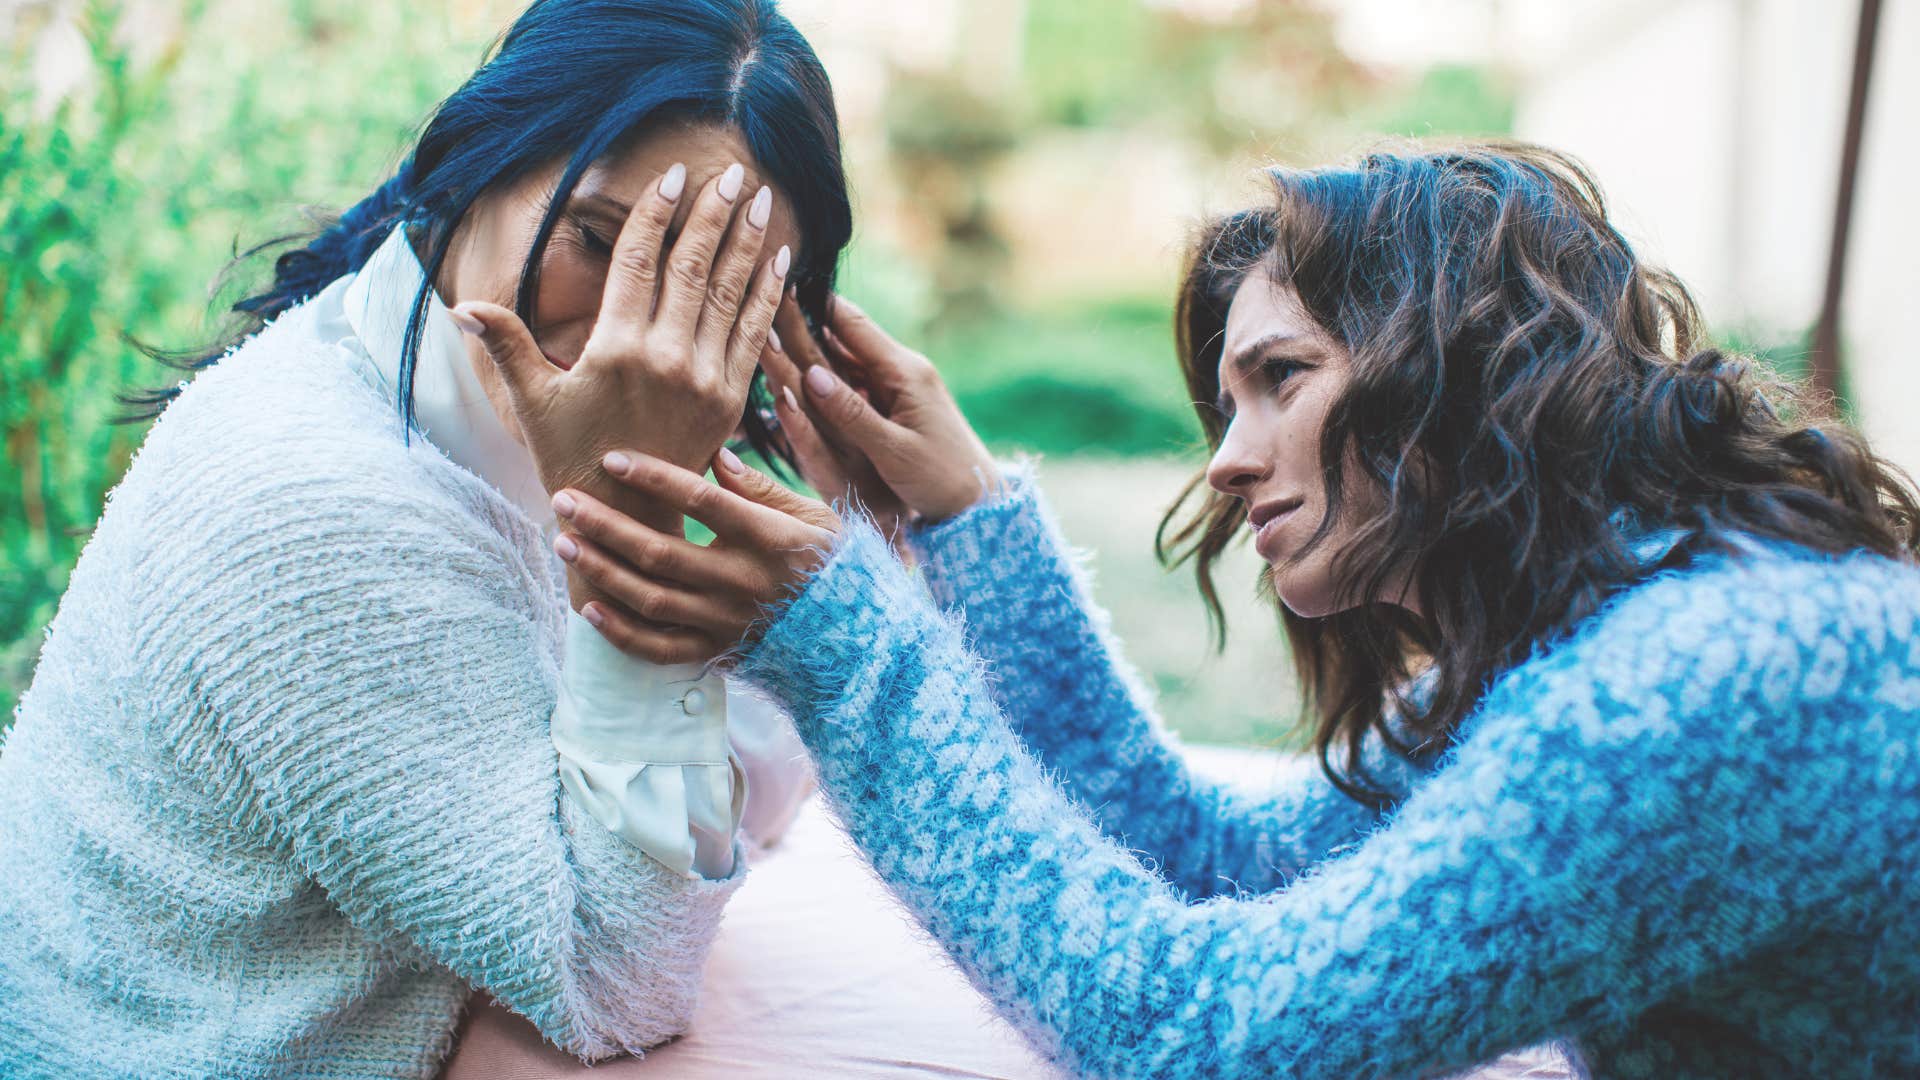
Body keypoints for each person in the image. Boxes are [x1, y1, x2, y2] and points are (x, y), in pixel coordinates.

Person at [532, 142, 1920, 1077]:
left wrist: (856, 655)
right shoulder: (1610, 618)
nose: (1229, 456)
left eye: (1283, 378)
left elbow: (1206, 1038)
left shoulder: (1689, 693)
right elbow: (1225, 865)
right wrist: (965, 530)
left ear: (1458, 371)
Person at [0, 1, 847, 1075]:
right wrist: (638, 526)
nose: (643, 346)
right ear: (480, 157)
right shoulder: (323, 506)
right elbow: (617, 981)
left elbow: (751, 764)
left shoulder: (467, 408)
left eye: (711, 297)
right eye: (599, 240)